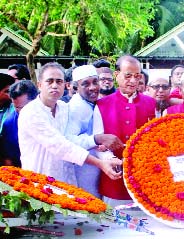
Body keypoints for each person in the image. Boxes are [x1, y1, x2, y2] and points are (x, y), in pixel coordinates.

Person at [18, 62, 122, 185]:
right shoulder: (31, 112)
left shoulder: (64, 108)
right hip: (39, 181)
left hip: (65, 180)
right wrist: (100, 162)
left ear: (65, 85)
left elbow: (76, 137)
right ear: (39, 85)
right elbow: (60, 145)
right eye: (50, 81)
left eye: (59, 81)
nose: (55, 86)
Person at [93, 55, 156, 207]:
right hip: (114, 177)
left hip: (144, 176)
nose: (133, 81)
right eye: (128, 76)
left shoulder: (150, 103)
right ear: (116, 75)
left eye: (137, 76)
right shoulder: (102, 104)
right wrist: (110, 160)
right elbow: (98, 142)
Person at [66, 65, 124, 198]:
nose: (92, 87)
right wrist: (96, 139)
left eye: (95, 82)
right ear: (76, 87)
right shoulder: (75, 108)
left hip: (99, 168)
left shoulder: (92, 103)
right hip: (83, 172)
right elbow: (68, 141)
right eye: (85, 84)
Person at [0, 80, 37, 167]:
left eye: (24, 107)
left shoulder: (53, 113)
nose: (21, 112)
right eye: (17, 107)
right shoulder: (9, 124)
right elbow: (8, 159)